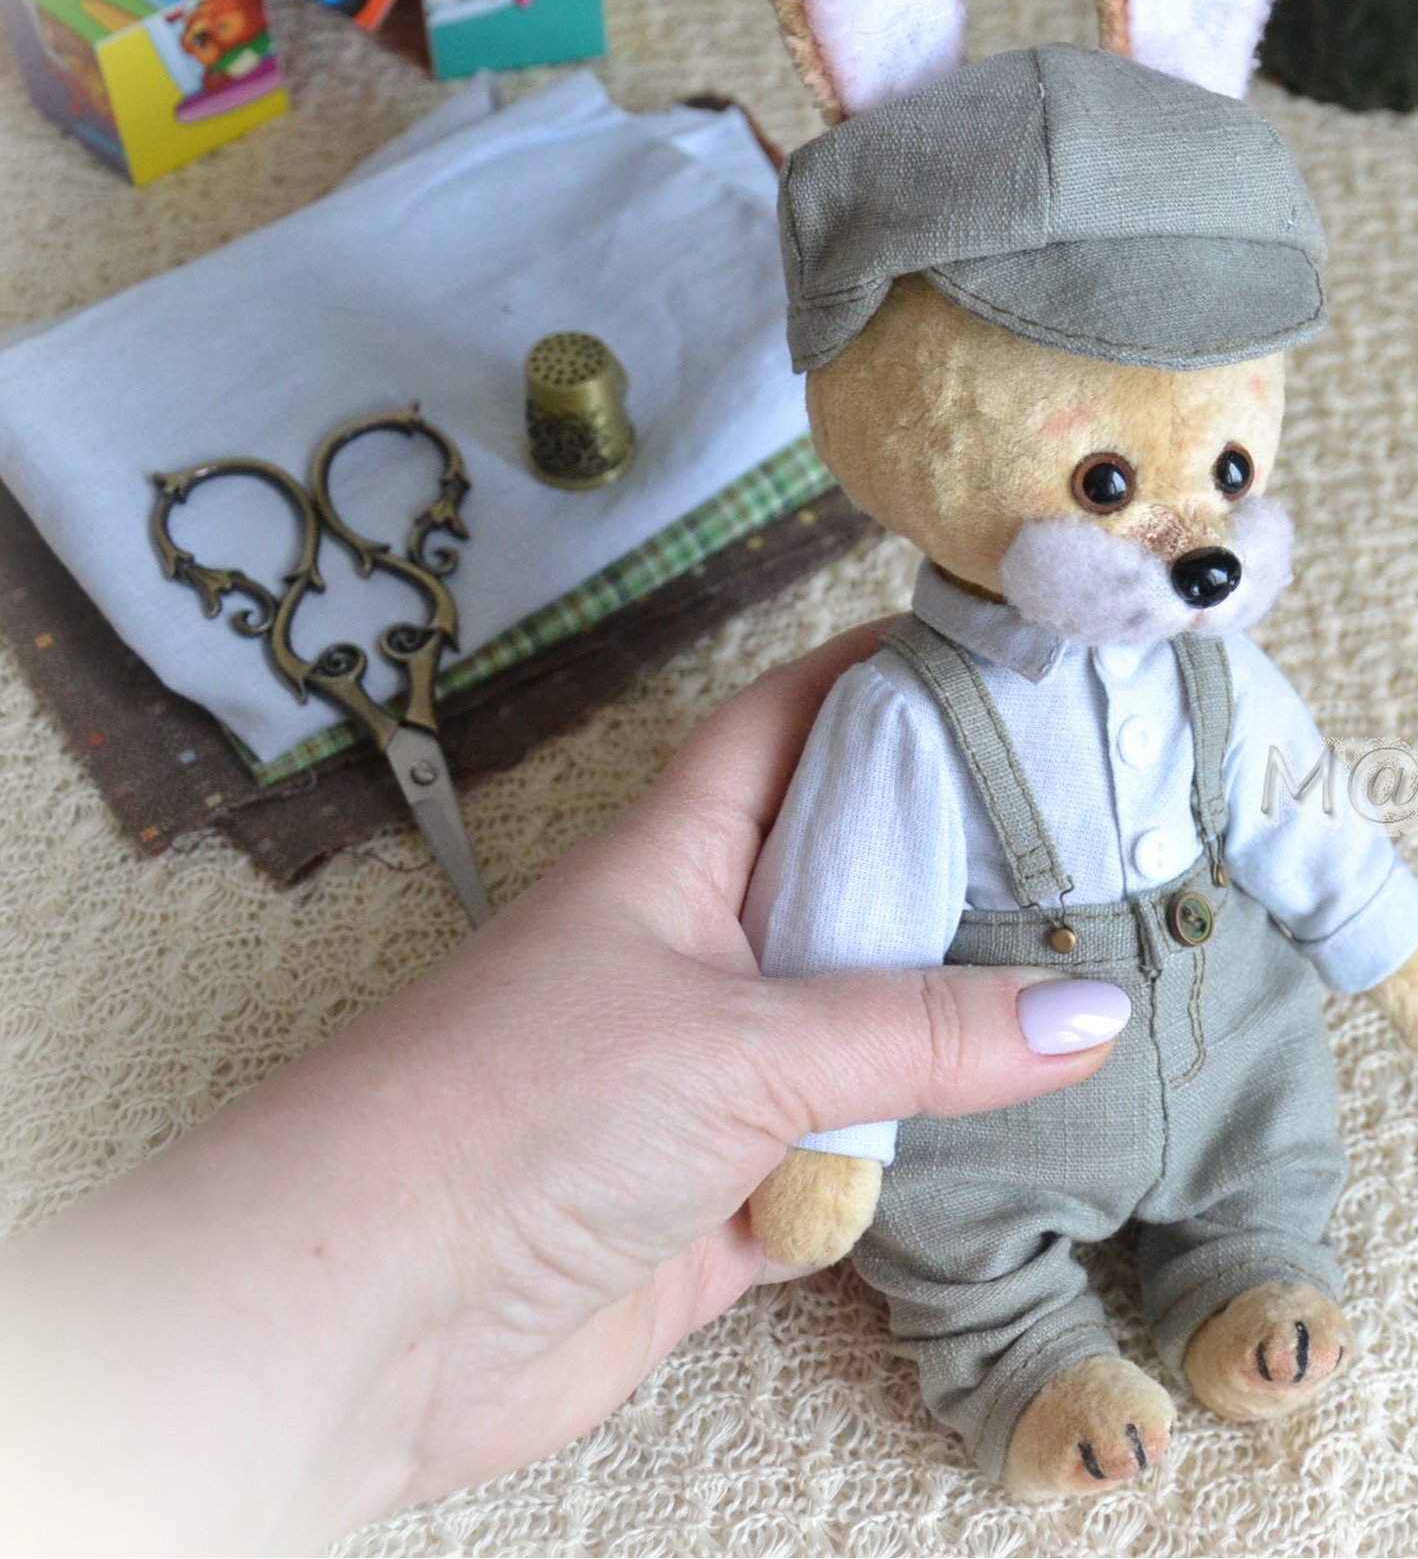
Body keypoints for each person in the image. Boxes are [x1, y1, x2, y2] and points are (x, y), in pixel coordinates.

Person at [0, 621, 1131, 1556]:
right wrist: (840, 1132)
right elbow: (852, 909)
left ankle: (1227, 1266)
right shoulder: (895, 713)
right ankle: (1028, 1346)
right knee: (963, 1235)